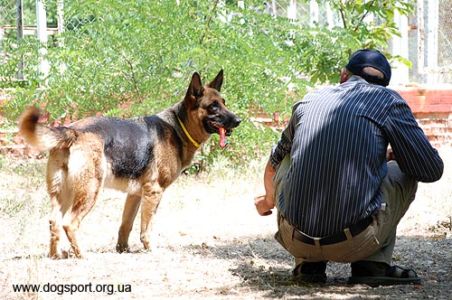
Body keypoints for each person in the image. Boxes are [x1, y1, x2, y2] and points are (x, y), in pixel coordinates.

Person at [254, 49, 444, 286]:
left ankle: (308, 264)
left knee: (287, 158)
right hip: (356, 242)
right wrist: (398, 157)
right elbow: (431, 169)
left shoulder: (309, 100)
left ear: (344, 76)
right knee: (403, 169)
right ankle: (372, 265)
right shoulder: (388, 101)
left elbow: (274, 163)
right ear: (382, 85)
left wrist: (268, 200)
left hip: (295, 239)